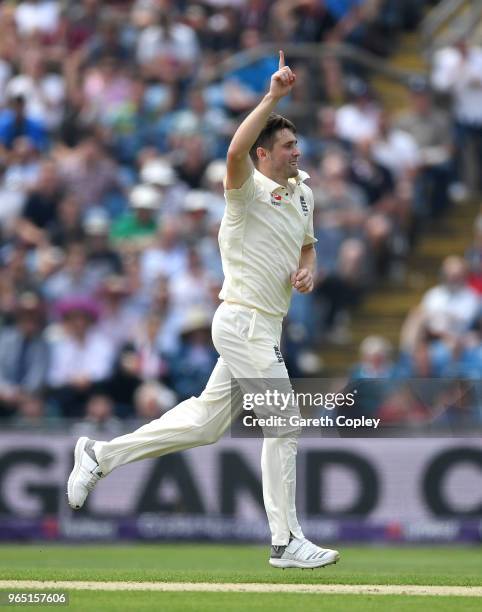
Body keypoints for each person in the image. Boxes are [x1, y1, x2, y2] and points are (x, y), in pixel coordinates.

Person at [67, 51, 340, 570]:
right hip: (241, 321)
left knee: (206, 425)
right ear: (264, 156)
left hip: (265, 325)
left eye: (297, 144)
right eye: (285, 146)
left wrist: (309, 269)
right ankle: (285, 541)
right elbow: (236, 148)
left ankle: (100, 455)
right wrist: (271, 98)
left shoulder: (303, 194)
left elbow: (308, 245)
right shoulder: (245, 192)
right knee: (283, 421)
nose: (296, 153)